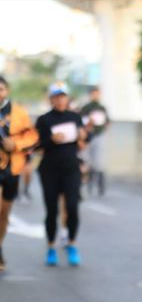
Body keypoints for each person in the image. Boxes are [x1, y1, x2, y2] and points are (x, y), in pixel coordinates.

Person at [35, 82, 88, 267]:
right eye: (56, 97)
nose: (60, 100)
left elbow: (82, 142)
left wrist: (82, 137)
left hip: (71, 169)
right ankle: (51, 246)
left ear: (68, 98)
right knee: (52, 210)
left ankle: (71, 244)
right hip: (49, 170)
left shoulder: (75, 117)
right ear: (51, 99)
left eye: (63, 96)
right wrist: (50, 139)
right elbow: (37, 146)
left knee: (72, 207)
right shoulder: (44, 120)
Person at [0, 76, 39, 272]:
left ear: (6, 91)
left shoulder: (18, 112)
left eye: (1, 89)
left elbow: (32, 135)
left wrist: (15, 144)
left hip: (12, 169)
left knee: (4, 214)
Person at [80, 87, 110, 197]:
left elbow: (107, 122)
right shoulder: (86, 108)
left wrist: (103, 130)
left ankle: (100, 185)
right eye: (93, 93)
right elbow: (81, 121)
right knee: (87, 161)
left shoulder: (102, 108)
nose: (95, 95)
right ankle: (88, 184)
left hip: (99, 136)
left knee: (99, 162)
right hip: (89, 137)